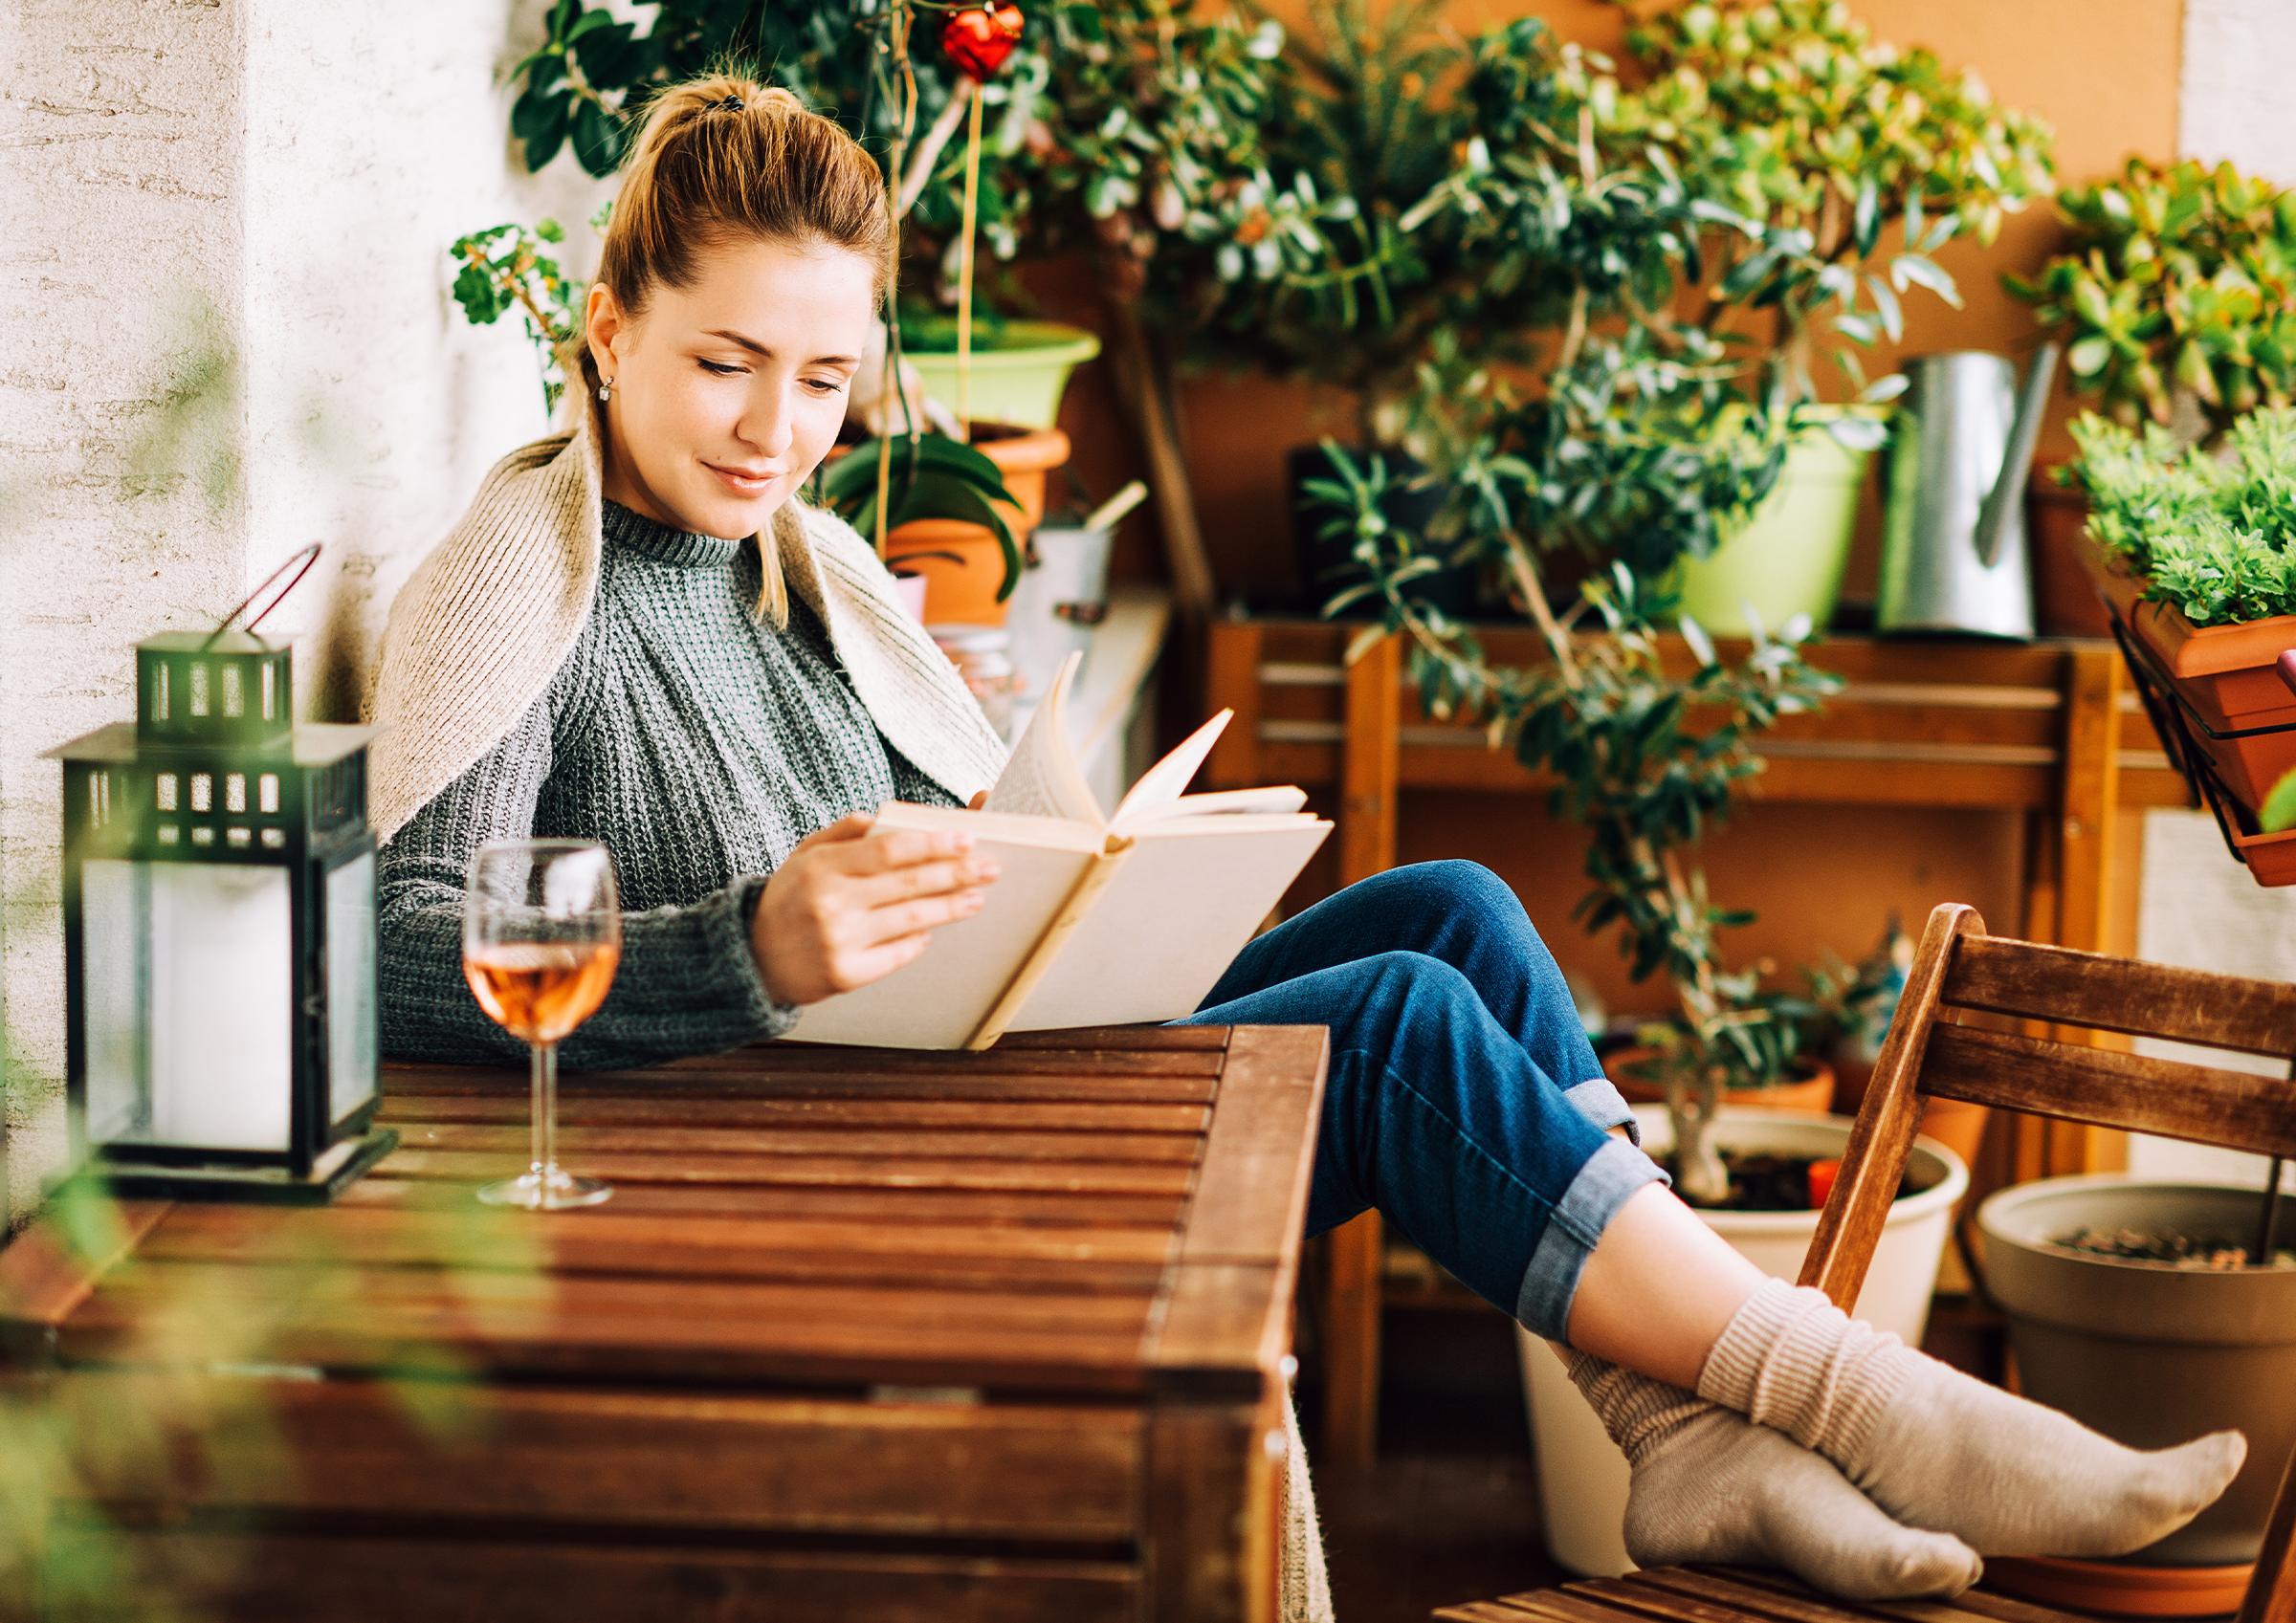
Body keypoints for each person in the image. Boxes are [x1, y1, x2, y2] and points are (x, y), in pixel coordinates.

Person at [368, 72, 2244, 1608]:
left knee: (1460, 913)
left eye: (826, 380)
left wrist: (1048, 853)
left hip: (926, 1062)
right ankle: (1845, 1395)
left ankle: (1677, 1445)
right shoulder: (521, 586)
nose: (779, 426)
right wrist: (744, 943)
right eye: (725, 364)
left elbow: (916, 854)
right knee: (1399, 1028)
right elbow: (390, 936)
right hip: (817, 1141)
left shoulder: (799, 567)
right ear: (606, 324)